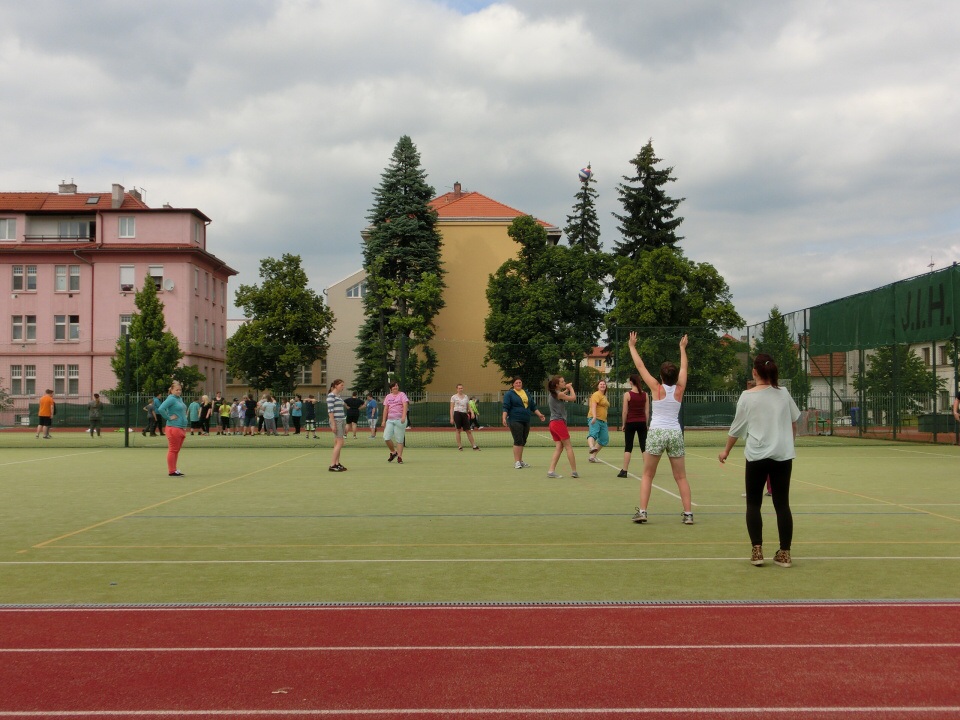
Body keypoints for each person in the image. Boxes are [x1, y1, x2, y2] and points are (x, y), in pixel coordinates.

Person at [719, 354, 801, 568]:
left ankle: (757, 551)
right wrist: (787, 444)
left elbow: (736, 428)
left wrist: (726, 451)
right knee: (782, 504)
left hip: (756, 456)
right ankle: (785, 553)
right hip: (782, 456)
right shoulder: (783, 393)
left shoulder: (747, 396)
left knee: (754, 504)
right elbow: (794, 422)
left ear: (754, 372)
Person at [627, 332, 695, 525]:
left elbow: (640, 366)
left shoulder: (656, 388)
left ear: (661, 376)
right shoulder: (680, 389)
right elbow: (684, 366)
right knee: (681, 477)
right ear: (675, 376)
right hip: (674, 433)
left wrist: (632, 346)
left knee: (647, 474)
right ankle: (688, 514)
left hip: (657, 432)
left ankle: (642, 512)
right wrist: (682, 348)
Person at [502, 377, 546, 469]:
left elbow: (533, 406)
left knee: (523, 440)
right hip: (515, 420)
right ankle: (517, 462)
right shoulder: (509, 394)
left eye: (520, 382)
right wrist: (504, 418)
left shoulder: (526, 393)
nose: (518, 384)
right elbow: (505, 407)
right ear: (513, 384)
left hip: (526, 420)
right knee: (518, 440)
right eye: (516, 383)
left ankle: (520, 461)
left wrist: (540, 415)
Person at [546, 376, 579, 479]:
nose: (564, 382)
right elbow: (573, 398)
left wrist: (567, 389)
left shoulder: (554, 393)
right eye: (562, 382)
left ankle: (551, 471)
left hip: (553, 424)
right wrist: (571, 388)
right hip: (558, 423)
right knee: (568, 447)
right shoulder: (558, 394)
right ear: (557, 385)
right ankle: (574, 471)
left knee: (559, 447)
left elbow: (561, 394)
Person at [618, 374, 649, 479]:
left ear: (631, 382)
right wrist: (646, 424)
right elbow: (647, 411)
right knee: (644, 447)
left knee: (628, 447)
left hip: (630, 422)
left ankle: (624, 471)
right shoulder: (645, 395)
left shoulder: (627, 394)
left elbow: (625, 411)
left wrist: (623, 424)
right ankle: (647, 471)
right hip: (642, 422)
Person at [156, 380, 188, 477]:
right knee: (173, 450)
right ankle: (172, 471)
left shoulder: (179, 399)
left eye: (180, 390)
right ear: (172, 390)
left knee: (176, 450)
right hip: (173, 427)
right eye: (176, 390)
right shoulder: (171, 399)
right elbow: (161, 408)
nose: (179, 391)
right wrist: (168, 417)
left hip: (181, 427)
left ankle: (174, 469)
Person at [382, 382, 409, 463]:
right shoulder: (388, 396)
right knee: (386, 437)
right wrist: (383, 420)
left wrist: (403, 416)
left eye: (396, 386)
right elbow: (386, 409)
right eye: (393, 386)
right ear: (391, 388)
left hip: (400, 420)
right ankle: (393, 452)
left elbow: (405, 405)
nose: (395, 387)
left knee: (399, 439)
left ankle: (399, 457)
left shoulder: (402, 395)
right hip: (390, 420)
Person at [586, 379, 610, 463]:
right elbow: (593, 406)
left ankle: (592, 457)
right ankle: (592, 447)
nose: (602, 385)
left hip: (603, 421)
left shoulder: (604, 396)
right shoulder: (596, 394)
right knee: (593, 434)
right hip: (595, 418)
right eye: (601, 384)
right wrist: (594, 417)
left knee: (604, 439)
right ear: (598, 386)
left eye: (604, 384)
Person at [450, 384, 480, 451]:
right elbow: (451, 408)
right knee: (458, 430)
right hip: (457, 414)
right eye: (459, 388)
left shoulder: (466, 397)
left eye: (461, 388)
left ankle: (474, 446)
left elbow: (468, 406)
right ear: (457, 389)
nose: (460, 389)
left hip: (464, 414)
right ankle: (460, 446)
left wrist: (472, 413)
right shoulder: (453, 397)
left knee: (468, 431)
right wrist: (451, 418)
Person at [327, 380, 348, 471]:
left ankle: (337, 463)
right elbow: (330, 411)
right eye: (341, 385)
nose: (343, 387)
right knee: (340, 442)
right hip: (336, 420)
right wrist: (333, 424)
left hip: (341, 419)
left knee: (338, 442)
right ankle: (332, 465)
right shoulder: (331, 396)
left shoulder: (338, 396)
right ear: (336, 385)